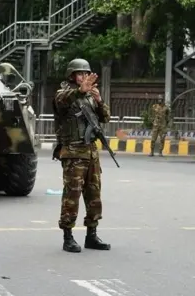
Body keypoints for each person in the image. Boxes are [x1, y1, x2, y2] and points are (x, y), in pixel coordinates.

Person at [52, 58, 111, 253]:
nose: (84, 77)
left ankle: (91, 235)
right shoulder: (64, 94)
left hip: (91, 153)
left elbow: (105, 118)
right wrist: (80, 91)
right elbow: (62, 101)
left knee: (94, 195)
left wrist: (99, 100)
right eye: (80, 74)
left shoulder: (90, 97)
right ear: (71, 76)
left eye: (86, 74)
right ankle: (67, 237)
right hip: (73, 153)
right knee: (72, 195)